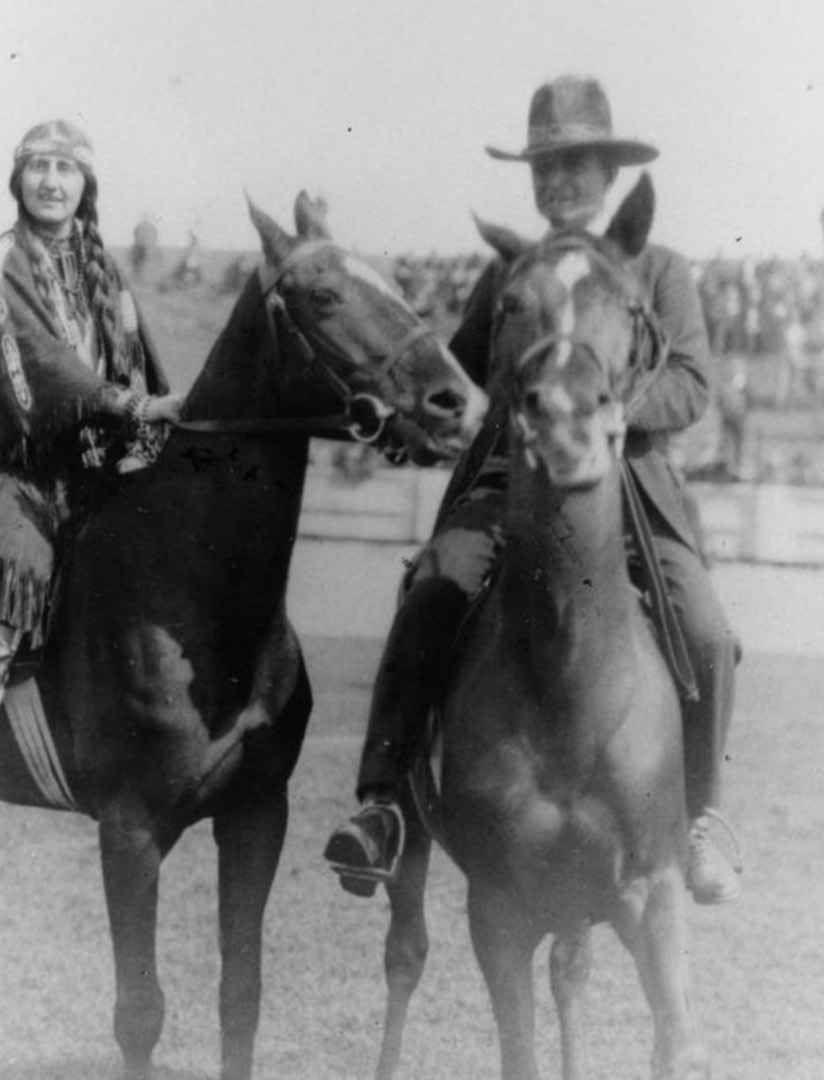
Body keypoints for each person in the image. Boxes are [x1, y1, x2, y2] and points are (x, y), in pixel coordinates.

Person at [322, 75, 744, 905]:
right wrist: (401, 411)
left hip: (627, 497)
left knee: (705, 626)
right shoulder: (509, 270)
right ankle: (382, 803)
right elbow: (463, 379)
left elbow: (692, 382)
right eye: (546, 167)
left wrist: (601, 410)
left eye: (577, 165)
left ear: (609, 175)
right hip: (511, 491)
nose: (560, 182)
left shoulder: (656, 269)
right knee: (434, 590)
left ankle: (704, 818)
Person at [0, 120, 183, 831]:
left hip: (92, 474)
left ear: (85, 184)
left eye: (65, 170)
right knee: (15, 565)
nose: (50, 181)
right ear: (18, 180)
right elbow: (45, 367)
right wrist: (129, 404)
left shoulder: (104, 268)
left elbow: (133, 359)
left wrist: (153, 428)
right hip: (13, 475)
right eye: (37, 166)